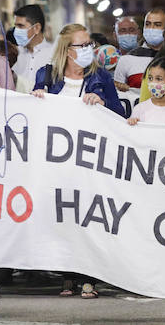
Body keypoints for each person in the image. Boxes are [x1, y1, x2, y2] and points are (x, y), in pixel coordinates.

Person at [35, 23, 124, 299]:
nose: (88, 50)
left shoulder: (102, 78)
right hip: (58, 165)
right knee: (64, 218)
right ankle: (67, 275)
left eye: (89, 45)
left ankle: (89, 277)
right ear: (66, 50)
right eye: (81, 45)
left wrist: (102, 103)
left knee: (88, 219)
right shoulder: (47, 76)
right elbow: (34, 113)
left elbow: (118, 114)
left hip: (89, 164)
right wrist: (37, 97)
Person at [114, 8, 165, 92]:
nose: (151, 28)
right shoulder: (126, 59)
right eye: (148, 24)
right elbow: (117, 95)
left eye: (157, 25)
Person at [127, 57, 165, 128]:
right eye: (150, 78)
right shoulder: (139, 108)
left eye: (158, 79)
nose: (153, 83)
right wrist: (131, 122)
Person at [11, 3, 54, 88]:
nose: (16, 31)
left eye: (21, 26)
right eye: (15, 26)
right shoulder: (16, 53)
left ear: (37, 28)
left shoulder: (53, 55)